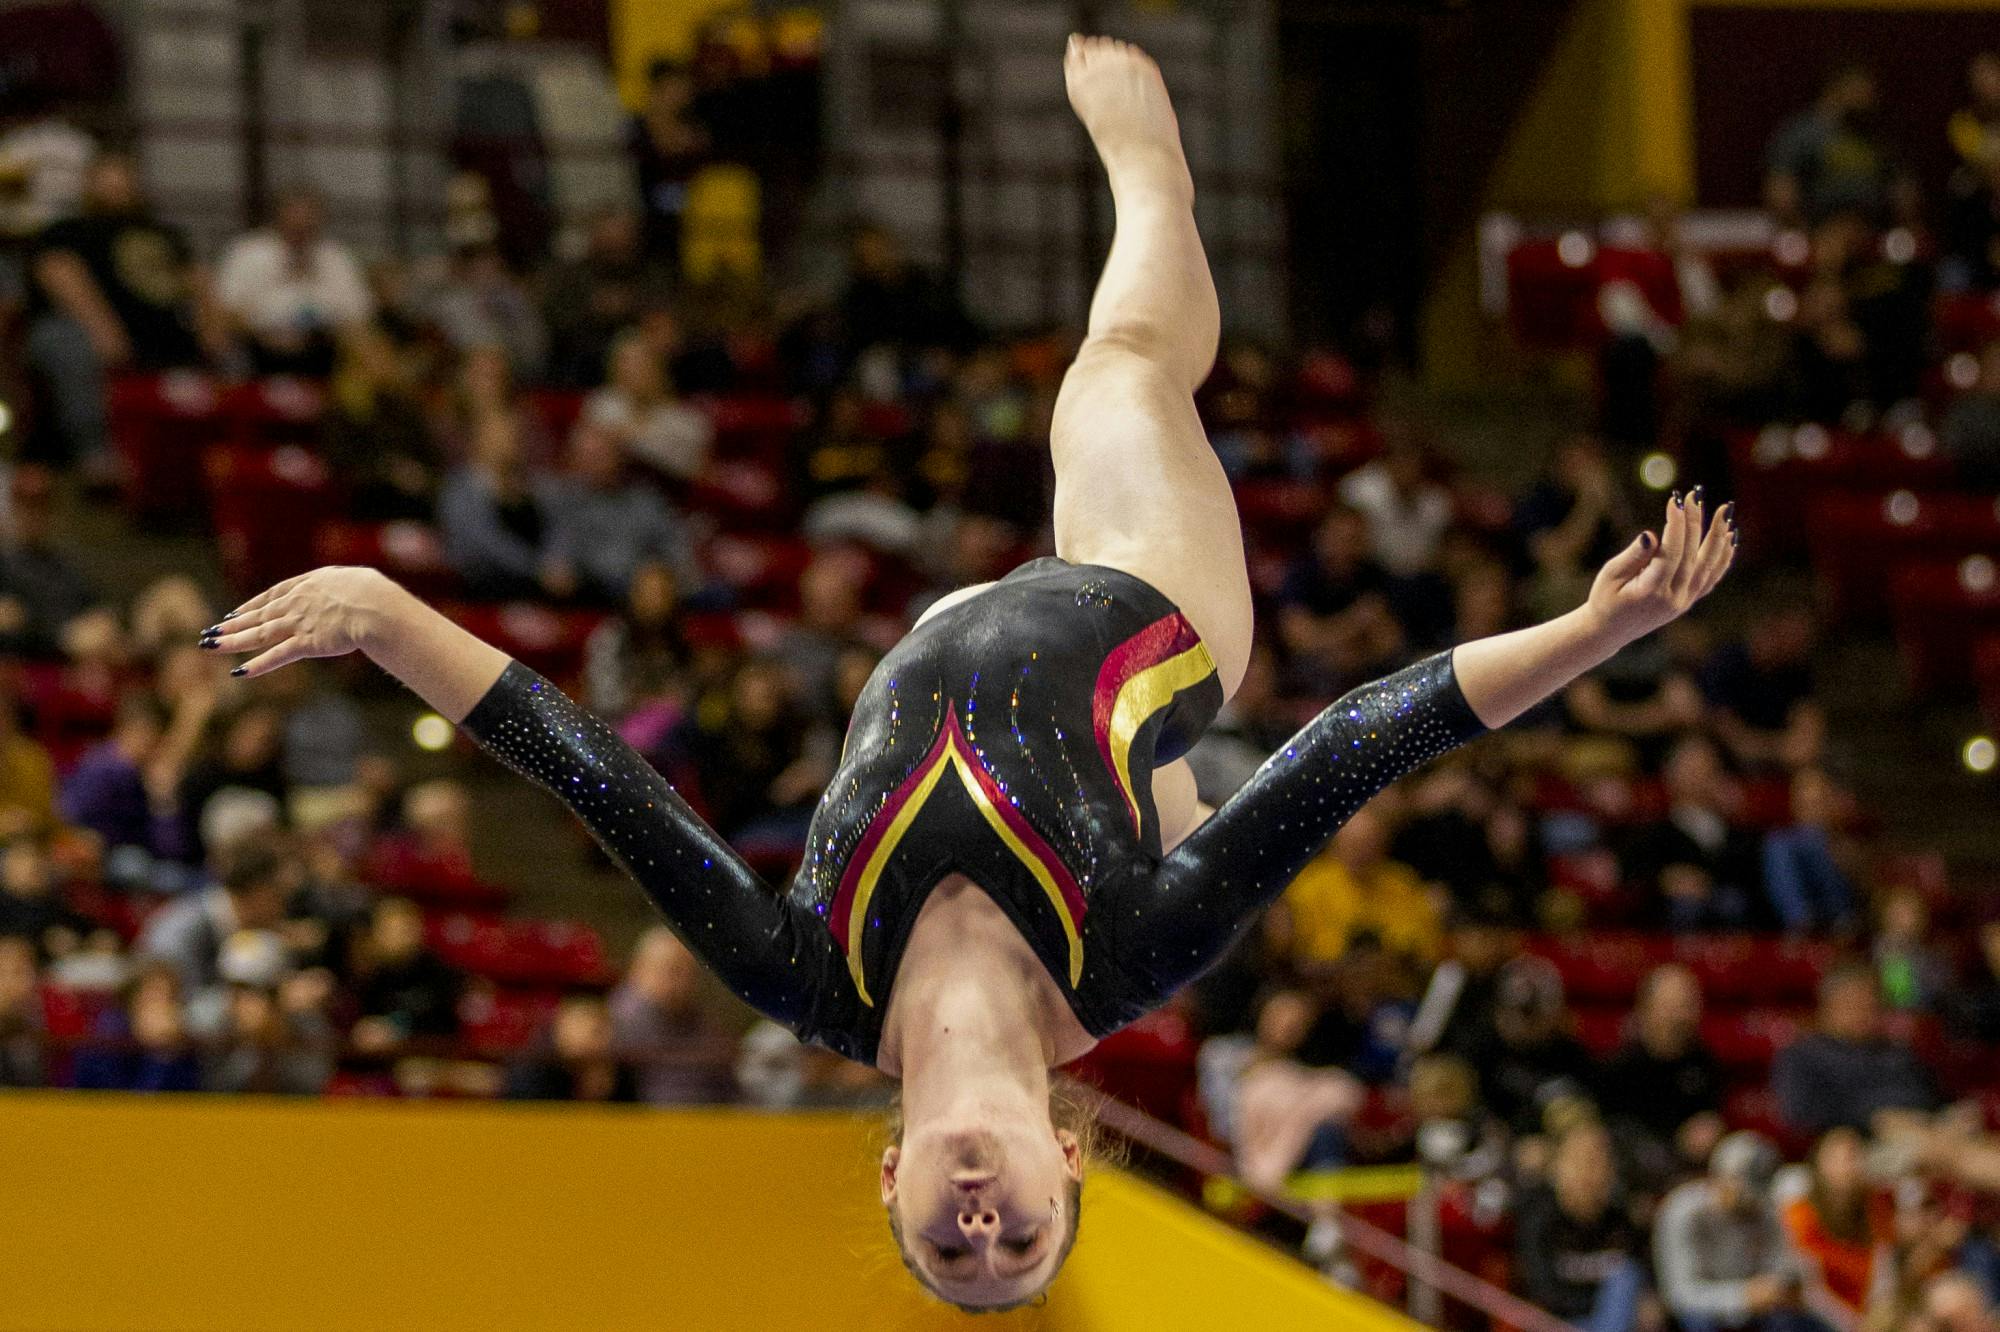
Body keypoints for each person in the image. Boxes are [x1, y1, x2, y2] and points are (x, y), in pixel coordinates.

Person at [202, 36, 1737, 1312]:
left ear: (892, 1180)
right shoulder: (1127, 956)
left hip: (954, 631)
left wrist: (388, 612)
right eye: (1021, 1242)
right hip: (1148, 616)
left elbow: (593, 771)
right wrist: (1596, 632)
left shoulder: (802, 973)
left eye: (952, 1249)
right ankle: (1160, 181)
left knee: (1075, 422)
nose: (982, 1223)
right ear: (1072, 1163)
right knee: (1120, 365)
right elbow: (1353, 747)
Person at [26, 151, 229, 477]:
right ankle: (96, 453)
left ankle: (220, 454)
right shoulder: (67, 231)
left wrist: (213, 323)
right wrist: (101, 327)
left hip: (166, 329)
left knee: (233, 351)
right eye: (108, 179)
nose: (117, 187)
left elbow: (197, 279)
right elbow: (59, 272)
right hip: (92, 329)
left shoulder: (164, 234)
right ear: (89, 185)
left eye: (124, 179)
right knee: (68, 341)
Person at [1654, 1132, 1823, 1332]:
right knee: (1698, 1321)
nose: (1750, 1203)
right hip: (1703, 1312)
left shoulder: (1763, 1210)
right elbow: (1679, 1295)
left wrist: (1786, 1282)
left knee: (1795, 1319)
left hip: (1756, 1311)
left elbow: (1782, 1264)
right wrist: (1742, 1296)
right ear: (1720, 1178)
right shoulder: (1683, 1212)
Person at [213, 186, 372, 376]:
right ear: (279, 217)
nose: (301, 226)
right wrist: (266, 334)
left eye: (308, 220)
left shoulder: (337, 257)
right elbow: (225, 309)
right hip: (257, 343)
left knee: (368, 347)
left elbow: (358, 314)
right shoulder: (248, 252)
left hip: (324, 345)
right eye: (294, 218)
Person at [547, 420, 703, 605]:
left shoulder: (646, 500)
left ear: (619, 457)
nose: (593, 463)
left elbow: (675, 547)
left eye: (600, 455)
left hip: (647, 585)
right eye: (587, 457)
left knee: (715, 594)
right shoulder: (566, 501)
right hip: (594, 588)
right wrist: (560, 567)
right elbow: (558, 552)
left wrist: (669, 575)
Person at [1773, 965, 1939, 1138]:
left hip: (1922, 1127)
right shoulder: (1802, 1055)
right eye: (1854, 1004)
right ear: (1829, 1006)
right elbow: (1800, 1115)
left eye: (1871, 1004)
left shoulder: (1895, 1051)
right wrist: (1874, 1118)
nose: (1865, 1012)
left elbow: (1927, 1095)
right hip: (1854, 1143)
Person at [1515, 1120, 1647, 1332]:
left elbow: (1643, 1280)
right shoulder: (1541, 1218)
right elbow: (1543, 1291)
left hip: (1614, 1321)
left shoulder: (1620, 1219)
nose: (1590, 1172)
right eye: (1581, 1162)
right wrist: (1602, 1303)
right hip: (1559, 1322)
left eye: (1599, 1162)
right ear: (1560, 1166)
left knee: (1627, 1277)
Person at [1598, 965, 1726, 1178]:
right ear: (1647, 1009)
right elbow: (1617, 1135)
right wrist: (1677, 1141)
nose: (1681, 1016)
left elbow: (1712, 1114)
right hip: (1637, 1175)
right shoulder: (1621, 1068)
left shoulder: (1704, 1063)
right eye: (1673, 1006)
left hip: (1694, 1175)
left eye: (1688, 1005)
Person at [1765, 65, 1906, 227]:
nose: (1870, 97)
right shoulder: (1802, 135)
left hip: (1873, 232)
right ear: (1836, 88)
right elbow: (1781, 195)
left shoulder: (1877, 137)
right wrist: (1806, 234)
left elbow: (1902, 191)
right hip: (1820, 232)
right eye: (1861, 89)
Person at [608, 926, 735, 1105]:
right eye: (673, 970)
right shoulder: (611, 1021)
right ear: (639, 968)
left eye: (689, 973)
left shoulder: (703, 1026)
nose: (683, 981)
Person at [1780, 1127, 1895, 1318]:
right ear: (1820, 1164)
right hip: (1820, 1318)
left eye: (1856, 1156)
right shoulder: (1799, 1214)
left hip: (1868, 1314)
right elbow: (1808, 1289)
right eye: (1843, 1158)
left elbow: (1884, 1274)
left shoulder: (1876, 1208)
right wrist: (1851, 1324)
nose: (1851, 1166)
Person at [580, 329, 713, 481]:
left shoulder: (690, 422)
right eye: (624, 363)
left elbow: (700, 476)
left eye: (639, 363)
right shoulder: (601, 404)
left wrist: (622, 437)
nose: (630, 371)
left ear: (659, 368)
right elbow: (584, 463)